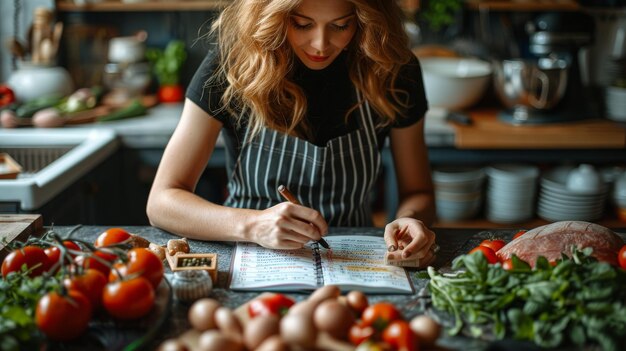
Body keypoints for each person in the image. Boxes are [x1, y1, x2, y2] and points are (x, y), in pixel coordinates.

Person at [146, 0, 438, 266]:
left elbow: (418, 192)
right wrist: (253, 225)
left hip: (352, 260)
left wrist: (411, 220)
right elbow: (162, 202)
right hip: (250, 256)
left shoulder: (393, 69)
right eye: (302, 24)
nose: (321, 44)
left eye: (340, 25)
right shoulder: (233, 65)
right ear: (272, 15)